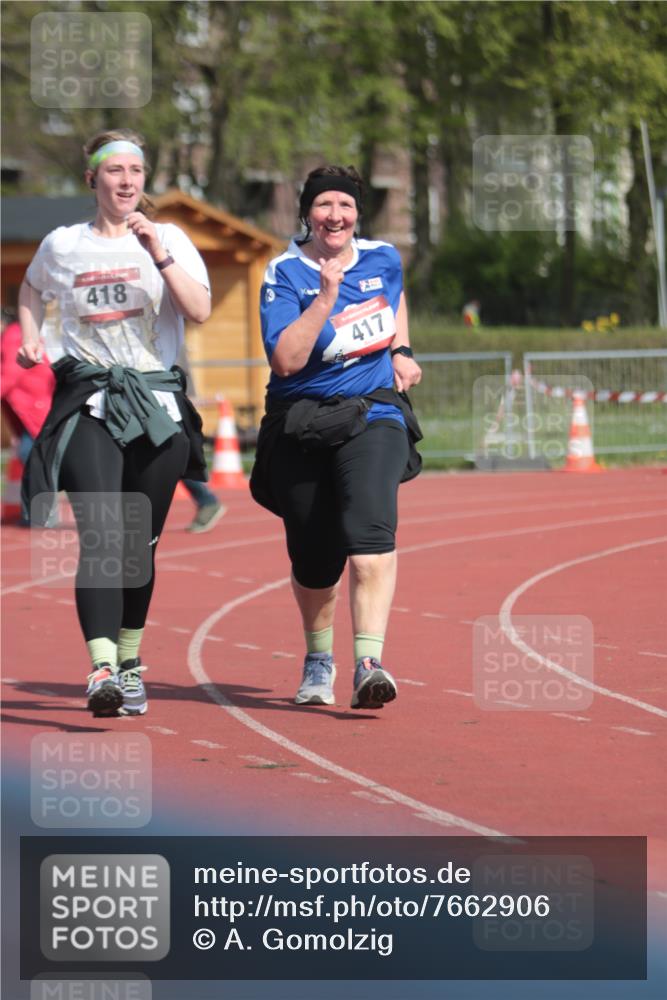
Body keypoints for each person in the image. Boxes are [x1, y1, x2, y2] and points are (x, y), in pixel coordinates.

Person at [18, 129, 211, 717]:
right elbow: (30, 288)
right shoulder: (63, 244)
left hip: (156, 407)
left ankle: (130, 660)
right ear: (93, 180)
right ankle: (101, 668)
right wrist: (30, 334)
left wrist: (159, 251)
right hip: (91, 401)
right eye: (114, 171)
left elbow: (199, 311)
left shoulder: (170, 237)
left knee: (136, 548)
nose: (126, 181)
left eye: (135, 171)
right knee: (102, 541)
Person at [250, 164, 422, 711]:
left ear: (356, 214)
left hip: (373, 411)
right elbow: (285, 358)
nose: (335, 216)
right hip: (302, 419)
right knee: (314, 558)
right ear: (307, 213)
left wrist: (402, 350)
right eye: (324, 206)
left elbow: (393, 299)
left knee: (369, 536)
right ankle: (318, 657)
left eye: (345, 206)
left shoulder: (382, 257)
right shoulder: (284, 273)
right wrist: (325, 297)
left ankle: (369, 664)